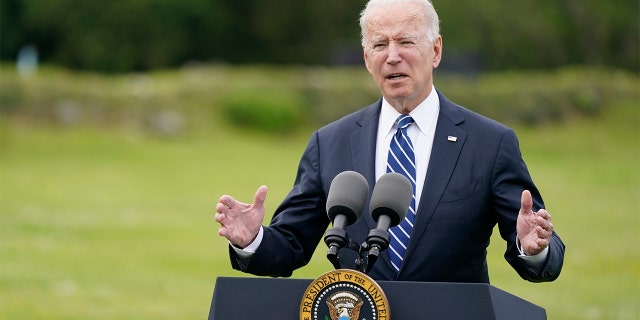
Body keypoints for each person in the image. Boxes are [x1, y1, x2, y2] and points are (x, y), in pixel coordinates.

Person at [214, 0, 565, 283]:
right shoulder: (330, 143)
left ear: (436, 50)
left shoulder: (490, 142)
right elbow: (291, 245)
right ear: (367, 59)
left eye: (406, 41)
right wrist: (252, 239)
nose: (392, 56)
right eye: (379, 44)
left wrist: (533, 247)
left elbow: (537, 246)